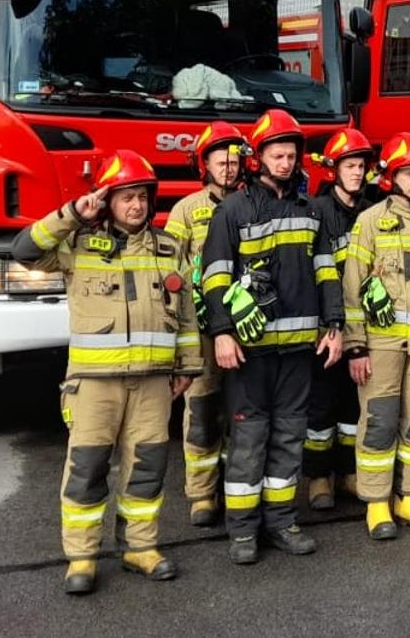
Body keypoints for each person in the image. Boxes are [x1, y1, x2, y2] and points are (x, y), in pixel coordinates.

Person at [13, 149, 187, 595]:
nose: (136, 206)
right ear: (107, 201)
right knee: (87, 470)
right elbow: (24, 250)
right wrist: (72, 213)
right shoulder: (77, 246)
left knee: (147, 468)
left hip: (152, 382)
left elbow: (185, 313)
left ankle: (141, 548)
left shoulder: (170, 249)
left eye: (142, 197)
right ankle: (82, 558)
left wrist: (188, 366)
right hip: (94, 386)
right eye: (126, 197)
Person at [200, 109, 343, 565]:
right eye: (276, 155)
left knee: (288, 437)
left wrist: (334, 326)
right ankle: (243, 531)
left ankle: (282, 521)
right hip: (249, 352)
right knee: (249, 440)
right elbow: (215, 277)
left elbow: (327, 274)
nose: (285, 162)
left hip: (299, 349)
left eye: (290, 154)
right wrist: (222, 333)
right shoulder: (232, 210)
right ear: (256, 158)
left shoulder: (310, 210)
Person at [341, 132, 410, 539]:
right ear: (391, 176)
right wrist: (355, 346)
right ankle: (376, 503)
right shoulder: (369, 221)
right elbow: (352, 288)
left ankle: (409, 497)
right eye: (408, 173)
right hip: (382, 345)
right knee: (379, 423)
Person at [162, 121, 245, 528]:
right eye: (220, 160)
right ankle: (201, 494)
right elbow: (172, 269)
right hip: (202, 326)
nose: (228, 167)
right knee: (202, 409)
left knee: (240, 411)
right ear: (205, 164)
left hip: (245, 323)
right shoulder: (186, 211)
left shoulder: (250, 202)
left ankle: (237, 486)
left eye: (233, 160)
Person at [304, 129, 378, 510]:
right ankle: (319, 477)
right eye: (349, 166)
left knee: (354, 406)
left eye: (361, 166)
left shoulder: (372, 210)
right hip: (327, 326)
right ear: (333, 169)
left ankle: (349, 473)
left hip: (365, 325)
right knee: (322, 406)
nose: (356, 173)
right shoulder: (315, 211)